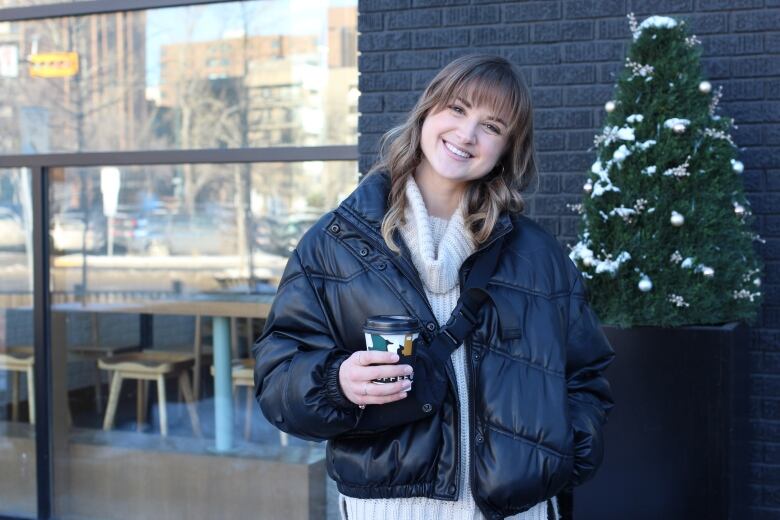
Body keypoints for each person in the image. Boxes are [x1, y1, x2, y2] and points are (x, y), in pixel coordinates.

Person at [253, 54, 614, 520]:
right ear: (428, 112)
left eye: (493, 126)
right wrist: (336, 382)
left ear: (507, 149)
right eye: (458, 109)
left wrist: (561, 457)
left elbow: (586, 375)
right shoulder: (337, 243)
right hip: (387, 510)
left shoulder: (539, 256)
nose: (467, 135)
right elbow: (277, 376)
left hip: (514, 511)